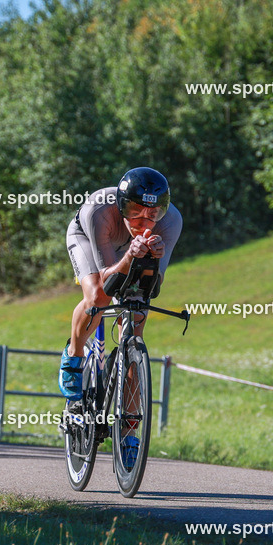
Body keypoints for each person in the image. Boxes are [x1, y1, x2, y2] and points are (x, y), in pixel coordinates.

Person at [59, 167, 182, 467]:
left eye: (151, 214)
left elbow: (154, 288)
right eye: (135, 211)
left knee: (137, 315)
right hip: (90, 240)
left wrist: (153, 257)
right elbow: (107, 282)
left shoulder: (171, 221)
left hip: (132, 252)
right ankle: (73, 355)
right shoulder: (99, 211)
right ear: (121, 205)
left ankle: (129, 431)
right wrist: (129, 256)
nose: (143, 221)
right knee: (98, 298)